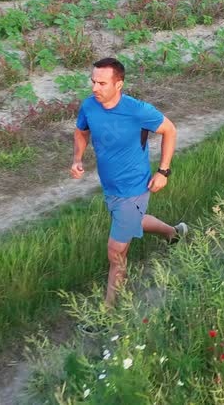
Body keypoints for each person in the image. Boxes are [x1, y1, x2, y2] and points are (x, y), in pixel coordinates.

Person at [70, 57, 187, 313]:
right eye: (93, 82)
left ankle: (109, 313)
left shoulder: (137, 111)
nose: (95, 88)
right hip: (110, 186)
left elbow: (170, 130)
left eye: (102, 83)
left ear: (118, 84)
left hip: (134, 187)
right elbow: (81, 131)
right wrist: (77, 159)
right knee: (135, 220)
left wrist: (163, 171)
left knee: (116, 252)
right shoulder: (89, 106)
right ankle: (173, 233)